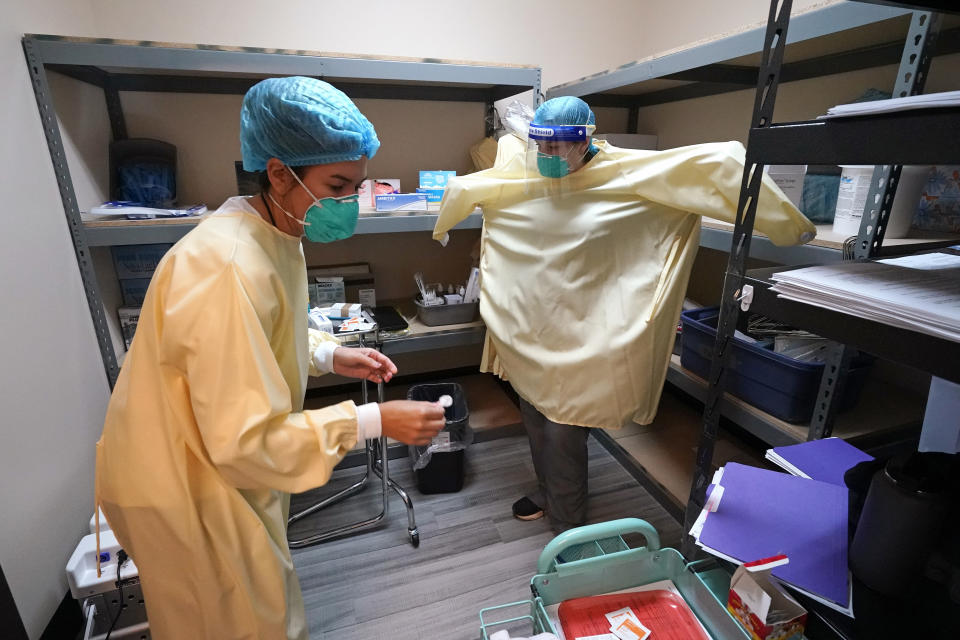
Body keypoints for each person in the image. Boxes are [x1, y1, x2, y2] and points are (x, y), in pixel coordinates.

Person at [95, 76, 446, 640]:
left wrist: (330, 355)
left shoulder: (275, 230)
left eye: (354, 187)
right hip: (187, 486)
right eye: (336, 185)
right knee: (240, 624)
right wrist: (375, 420)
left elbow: (262, 336)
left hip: (211, 460)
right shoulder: (226, 266)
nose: (347, 203)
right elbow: (245, 442)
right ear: (280, 173)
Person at [434, 96, 814, 533]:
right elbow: (481, 181)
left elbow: (717, 168)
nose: (547, 157)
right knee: (534, 412)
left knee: (564, 425)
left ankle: (568, 525)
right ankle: (549, 492)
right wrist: (447, 220)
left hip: (590, 325)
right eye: (541, 146)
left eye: (558, 147)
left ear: (586, 140)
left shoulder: (626, 174)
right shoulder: (529, 169)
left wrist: (789, 226)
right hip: (535, 322)